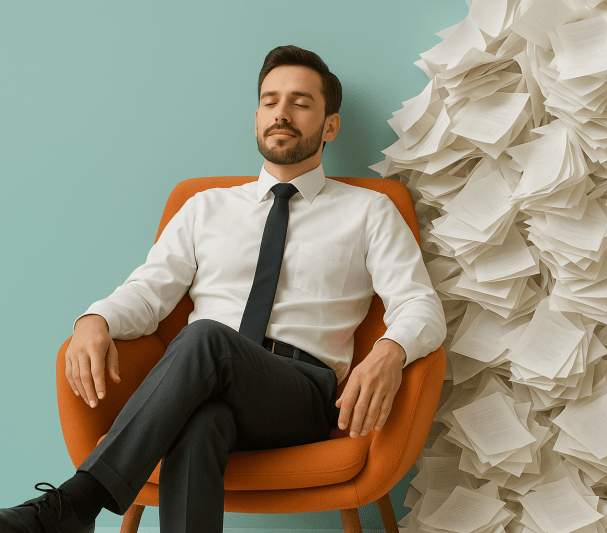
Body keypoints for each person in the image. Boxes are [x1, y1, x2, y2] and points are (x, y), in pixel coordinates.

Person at [0, 45, 446, 533]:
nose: (281, 112)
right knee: (200, 424)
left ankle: (76, 505)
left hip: (300, 396)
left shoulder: (369, 210)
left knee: (206, 337)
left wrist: (390, 350)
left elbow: (419, 303)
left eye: (300, 103)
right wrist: (95, 319)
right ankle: (76, 509)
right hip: (202, 384)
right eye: (270, 101)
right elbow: (148, 292)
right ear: (257, 118)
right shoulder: (203, 207)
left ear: (330, 126)